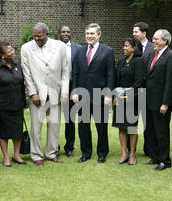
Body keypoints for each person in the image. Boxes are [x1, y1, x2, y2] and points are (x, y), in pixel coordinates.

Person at [21, 22, 70, 167]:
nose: (36, 39)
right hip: (37, 95)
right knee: (36, 128)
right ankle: (36, 155)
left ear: (47, 34)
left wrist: (65, 91)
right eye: (35, 36)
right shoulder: (26, 48)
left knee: (54, 126)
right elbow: (27, 73)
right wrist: (32, 93)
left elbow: (66, 70)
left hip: (56, 93)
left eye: (40, 36)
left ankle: (51, 153)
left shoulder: (60, 46)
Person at [72, 23, 115, 164]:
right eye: (87, 34)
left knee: (101, 126)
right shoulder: (80, 51)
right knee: (83, 126)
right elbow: (75, 73)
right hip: (83, 94)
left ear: (99, 35)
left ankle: (102, 153)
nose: (89, 36)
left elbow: (110, 74)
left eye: (92, 34)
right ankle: (86, 153)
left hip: (100, 94)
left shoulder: (107, 51)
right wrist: (74, 92)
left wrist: (109, 94)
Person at [143, 29, 172, 171]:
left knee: (161, 132)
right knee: (150, 131)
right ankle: (155, 157)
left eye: (156, 39)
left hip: (161, 103)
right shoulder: (151, 54)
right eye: (153, 38)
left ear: (165, 41)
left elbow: (170, 82)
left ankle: (165, 160)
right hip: (147, 100)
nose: (153, 41)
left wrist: (165, 103)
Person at [0, 41, 26, 167]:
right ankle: (6, 157)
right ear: (2, 55)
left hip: (17, 104)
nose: (13, 52)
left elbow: (22, 84)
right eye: (9, 51)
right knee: (3, 133)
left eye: (12, 49)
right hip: (2, 106)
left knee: (17, 131)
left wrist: (23, 102)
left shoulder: (17, 64)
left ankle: (16, 155)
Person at [112, 38, 146, 166]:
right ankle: (124, 154)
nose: (124, 48)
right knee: (121, 127)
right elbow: (117, 80)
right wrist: (116, 96)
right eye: (124, 46)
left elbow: (139, 82)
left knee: (131, 128)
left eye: (126, 46)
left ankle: (132, 154)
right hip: (120, 99)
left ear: (134, 48)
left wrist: (128, 96)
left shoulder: (138, 62)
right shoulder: (121, 61)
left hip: (133, 99)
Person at [58, 25, 82, 158]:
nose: (66, 34)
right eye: (63, 32)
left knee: (70, 119)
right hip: (56, 85)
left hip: (72, 85)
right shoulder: (53, 47)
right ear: (58, 34)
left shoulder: (78, 49)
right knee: (54, 119)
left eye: (68, 31)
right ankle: (54, 146)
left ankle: (69, 147)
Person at [133, 22, 153, 156]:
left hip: (149, 91)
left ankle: (149, 149)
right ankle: (131, 149)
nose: (133, 34)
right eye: (133, 32)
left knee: (148, 123)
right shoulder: (132, 46)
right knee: (132, 121)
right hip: (135, 91)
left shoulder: (153, 47)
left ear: (144, 33)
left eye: (136, 32)